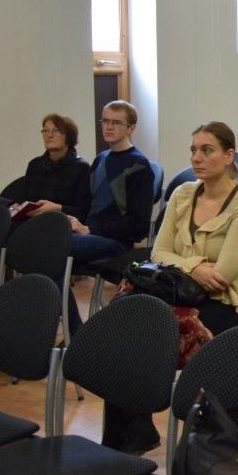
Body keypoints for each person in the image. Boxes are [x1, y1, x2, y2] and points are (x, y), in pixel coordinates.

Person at [106, 122, 238, 454]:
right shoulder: (182, 195)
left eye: (207, 150)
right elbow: (158, 252)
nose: (196, 158)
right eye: (193, 150)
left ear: (229, 156)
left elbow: (221, 276)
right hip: (174, 292)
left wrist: (184, 263)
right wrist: (195, 266)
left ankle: (140, 432)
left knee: (145, 333)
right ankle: (128, 436)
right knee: (125, 327)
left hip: (220, 303)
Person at [66, 101, 154, 334]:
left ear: (131, 128)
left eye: (116, 122)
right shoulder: (101, 159)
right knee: (46, 246)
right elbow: (87, 206)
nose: (109, 127)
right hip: (90, 234)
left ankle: (75, 331)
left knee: (54, 247)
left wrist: (91, 230)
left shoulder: (139, 165)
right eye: (105, 121)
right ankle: (73, 327)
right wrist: (70, 220)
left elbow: (138, 225)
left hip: (116, 242)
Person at [20, 113, 91, 219]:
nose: (49, 135)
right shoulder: (35, 164)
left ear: (68, 136)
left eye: (56, 130)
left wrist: (58, 208)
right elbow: (26, 200)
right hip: (34, 222)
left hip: (65, 224)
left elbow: (85, 212)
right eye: (45, 130)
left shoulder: (81, 167)